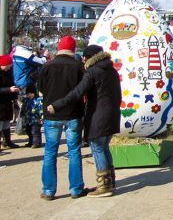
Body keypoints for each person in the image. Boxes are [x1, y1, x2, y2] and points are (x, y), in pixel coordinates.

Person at [48, 45, 121, 197]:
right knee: (104, 147)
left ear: (89, 58)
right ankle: (110, 181)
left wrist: (57, 105)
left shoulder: (93, 71)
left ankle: (104, 186)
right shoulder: (111, 70)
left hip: (98, 116)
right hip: (112, 114)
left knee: (97, 148)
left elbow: (77, 92)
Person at [36, 36, 88, 199]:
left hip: (52, 114)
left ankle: (48, 190)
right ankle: (76, 189)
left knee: (50, 151)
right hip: (73, 114)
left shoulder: (46, 66)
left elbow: (41, 89)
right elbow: (83, 90)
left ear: (59, 48)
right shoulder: (79, 67)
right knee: (74, 151)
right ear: (73, 50)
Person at [12, 42, 46, 124]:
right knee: (29, 107)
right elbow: (41, 62)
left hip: (19, 82)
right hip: (27, 83)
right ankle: (26, 126)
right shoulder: (25, 53)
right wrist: (44, 55)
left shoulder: (15, 53)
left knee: (22, 106)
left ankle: (22, 126)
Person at [0, 54, 19, 150]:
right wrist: (9, 90)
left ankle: (7, 141)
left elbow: (12, 84)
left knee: (6, 123)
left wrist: (14, 96)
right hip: (1, 103)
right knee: (1, 124)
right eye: (7, 66)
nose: (9, 68)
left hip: (7, 102)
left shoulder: (8, 73)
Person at [20, 84, 43, 148]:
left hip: (36, 120)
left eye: (30, 93)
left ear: (34, 93)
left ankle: (37, 142)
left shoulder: (38, 100)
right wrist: (22, 114)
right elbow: (23, 108)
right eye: (27, 94)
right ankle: (31, 142)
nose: (28, 95)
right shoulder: (25, 100)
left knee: (35, 131)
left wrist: (42, 117)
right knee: (28, 131)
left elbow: (41, 109)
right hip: (28, 119)